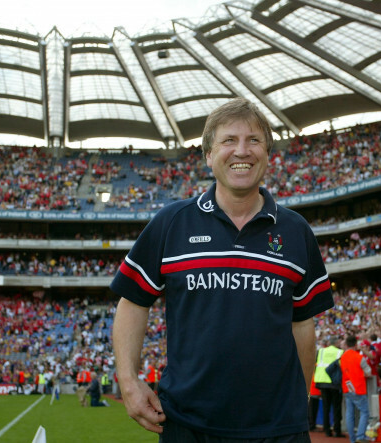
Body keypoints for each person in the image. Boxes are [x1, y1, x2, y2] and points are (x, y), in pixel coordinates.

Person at [111, 97, 334, 441]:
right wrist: (128, 381)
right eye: (229, 140)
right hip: (188, 425)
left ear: (268, 155)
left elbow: (303, 325)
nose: (242, 151)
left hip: (278, 430)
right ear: (208, 156)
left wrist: (298, 401)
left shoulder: (296, 230)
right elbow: (133, 301)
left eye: (254, 140)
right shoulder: (171, 223)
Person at [340, 335, 372, 443]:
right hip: (358, 388)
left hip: (347, 387)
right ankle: (360, 436)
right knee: (364, 412)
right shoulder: (359, 357)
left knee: (350, 414)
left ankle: (353, 439)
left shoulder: (343, 356)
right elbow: (368, 372)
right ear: (355, 344)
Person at [313, 337, 343, 437]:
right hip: (334, 382)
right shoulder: (340, 352)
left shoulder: (321, 351)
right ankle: (337, 430)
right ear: (337, 343)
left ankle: (327, 431)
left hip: (322, 381)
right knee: (336, 408)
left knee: (326, 407)